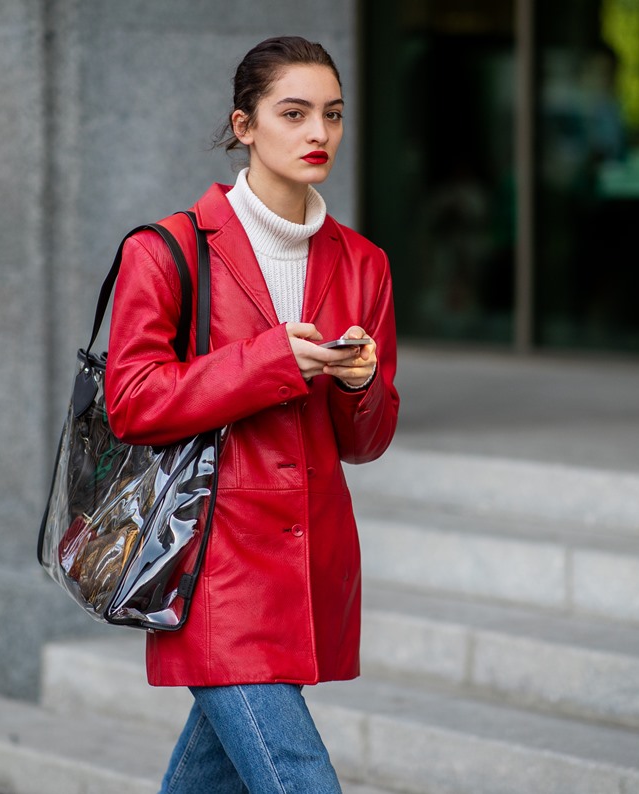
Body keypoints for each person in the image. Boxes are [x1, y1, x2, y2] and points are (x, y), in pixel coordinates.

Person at [103, 36, 400, 793]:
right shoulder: (168, 249)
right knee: (300, 780)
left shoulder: (363, 263)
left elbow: (364, 443)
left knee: (211, 777)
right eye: (294, 113)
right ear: (245, 126)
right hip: (211, 565)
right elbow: (132, 400)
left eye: (332, 115)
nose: (319, 134)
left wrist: (361, 383)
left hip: (307, 563)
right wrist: (274, 362)